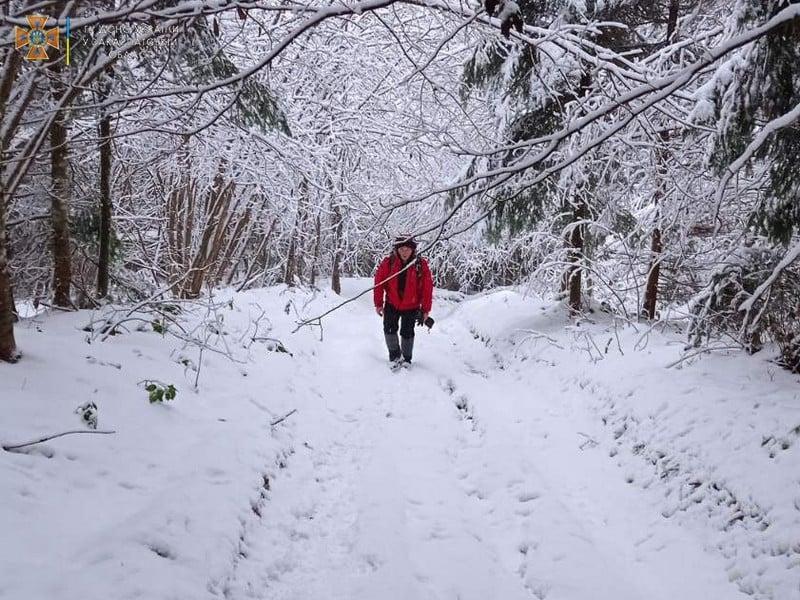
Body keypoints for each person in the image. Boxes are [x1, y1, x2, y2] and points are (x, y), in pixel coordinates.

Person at [373, 235, 433, 366]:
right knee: (389, 329)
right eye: (401, 249)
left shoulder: (420, 264)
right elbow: (378, 283)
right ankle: (394, 356)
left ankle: (406, 359)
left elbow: (427, 288)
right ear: (396, 249)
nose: (404, 252)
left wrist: (425, 309)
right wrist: (378, 304)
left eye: (407, 249)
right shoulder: (388, 263)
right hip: (391, 303)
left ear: (413, 250)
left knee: (407, 333)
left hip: (411, 306)